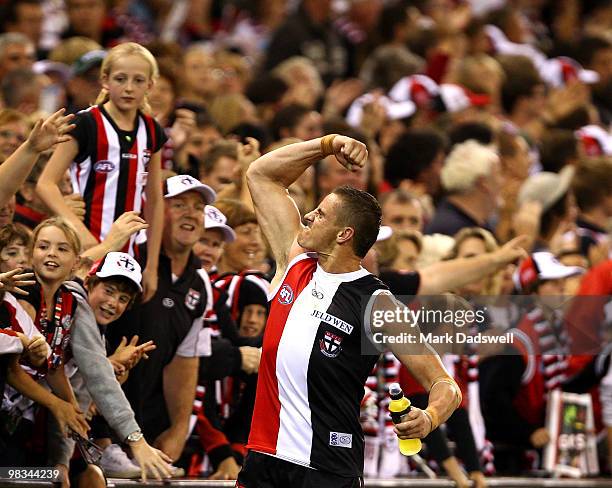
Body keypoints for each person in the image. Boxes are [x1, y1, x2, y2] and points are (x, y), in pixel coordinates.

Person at [237, 134, 462, 487]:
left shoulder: (376, 301)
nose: (308, 216)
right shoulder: (293, 260)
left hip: (327, 470)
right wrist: (326, 145)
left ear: (343, 234)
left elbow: (444, 383)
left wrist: (430, 417)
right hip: (263, 459)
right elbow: (261, 174)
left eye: (321, 214)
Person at [36, 42, 167, 302]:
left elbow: (154, 200)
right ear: (105, 80)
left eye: (138, 80)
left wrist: (151, 266)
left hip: (130, 256)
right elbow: (45, 183)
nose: (129, 88)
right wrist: (78, 231)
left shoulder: (152, 130)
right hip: (87, 249)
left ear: (150, 85)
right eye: (120, 79)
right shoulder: (85, 123)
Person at [107, 174, 216, 464]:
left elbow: (184, 361)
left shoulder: (200, 282)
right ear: (154, 211)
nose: (191, 213)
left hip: (150, 431)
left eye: (198, 206)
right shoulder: (128, 258)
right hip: (100, 424)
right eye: (179, 204)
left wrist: (179, 428)